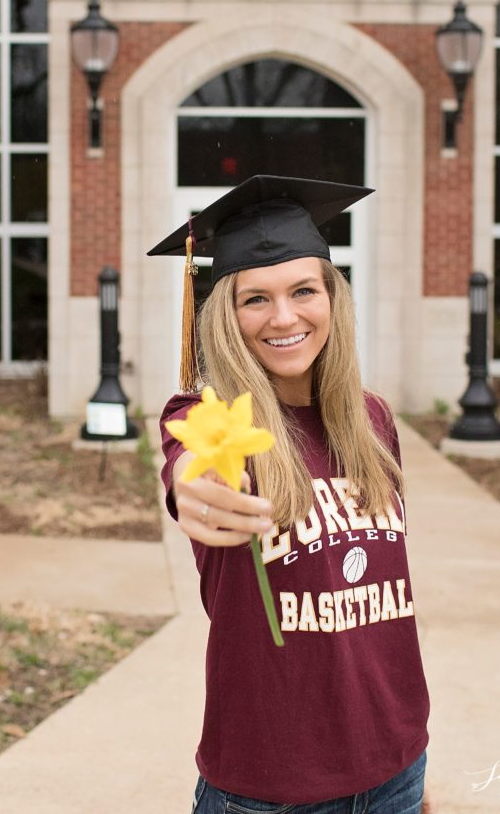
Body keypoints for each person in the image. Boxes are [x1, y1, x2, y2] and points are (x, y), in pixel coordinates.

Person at [149, 175, 436, 814]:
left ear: (333, 297)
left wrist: (410, 772)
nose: (284, 317)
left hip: (397, 764)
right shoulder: (209, 416)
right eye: (255, 299)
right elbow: (189, 468)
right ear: (223, 312)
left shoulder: (372, 420)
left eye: (303, 290)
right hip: (272, 790)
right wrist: (195, 483)